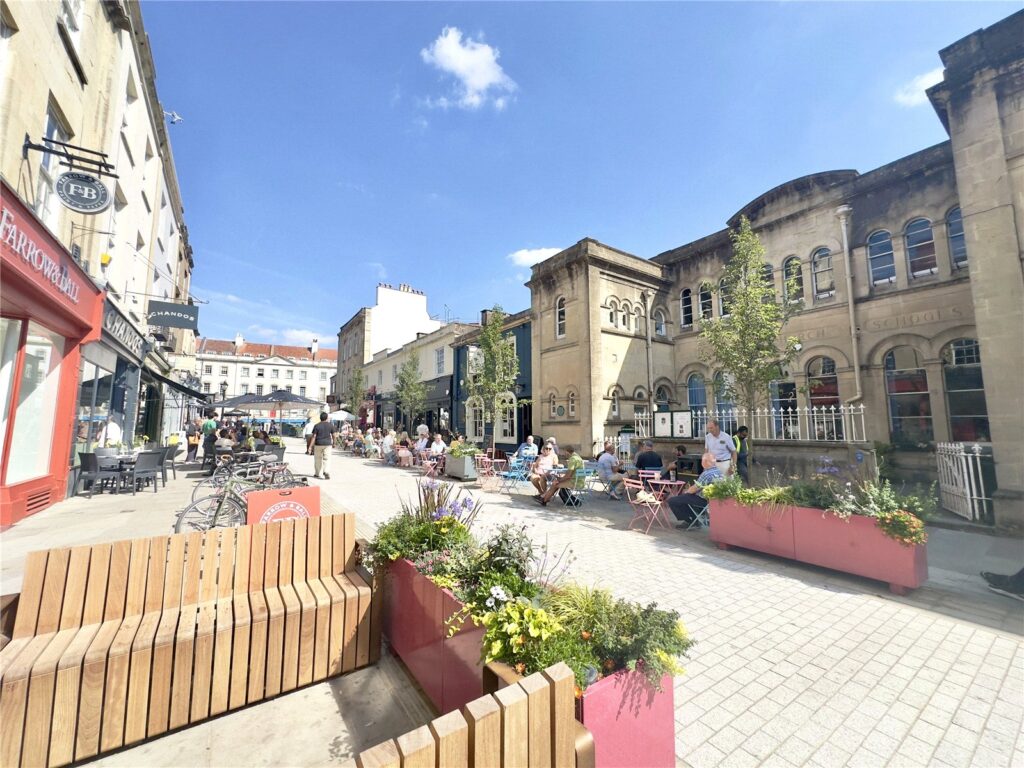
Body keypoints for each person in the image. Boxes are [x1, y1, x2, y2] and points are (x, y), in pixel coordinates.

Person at [667, 452, 725, 526]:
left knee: (673, 500)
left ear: (705, 462)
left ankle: (690, 521)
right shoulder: (719, 472)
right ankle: (694, 519)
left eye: (702, 461)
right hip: (713, 500)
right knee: (684, 498)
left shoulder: (706, 474)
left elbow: (693, 489)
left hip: (703, 500)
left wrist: (686, 492)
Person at [311, 412, 337, 479]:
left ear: (320, 418)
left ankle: (317, 473)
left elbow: (314, 436)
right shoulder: (330, 425)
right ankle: (326, 471)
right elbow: (334, 435)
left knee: (318, 459)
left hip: (318, 444)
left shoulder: (317, 425)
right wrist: (334, 443)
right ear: (327, 418)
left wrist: (310, 446)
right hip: (327, 444)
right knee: (327, 459)